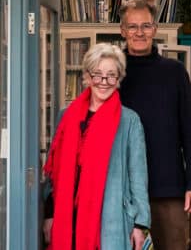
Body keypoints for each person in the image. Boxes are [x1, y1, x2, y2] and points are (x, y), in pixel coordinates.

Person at [42, 43, 150, 250]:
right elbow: (53, 174)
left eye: (111, 75)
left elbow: (138, 177)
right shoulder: (66, 116)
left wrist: (140, 224)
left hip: (110, 218)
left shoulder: (130, 121)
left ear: (119, 79)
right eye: (98, 74)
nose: (104, 82)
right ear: (87, 77)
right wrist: (49, 214)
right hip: (67, 217)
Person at [118, 0, 191, 250]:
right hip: (122, 188)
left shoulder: (175, 72)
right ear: (123, 30)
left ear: (155, 29)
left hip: (168, 187)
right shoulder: (112, 72)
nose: (139, 33)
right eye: (132, 27)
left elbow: (190, 131)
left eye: (145, 26)